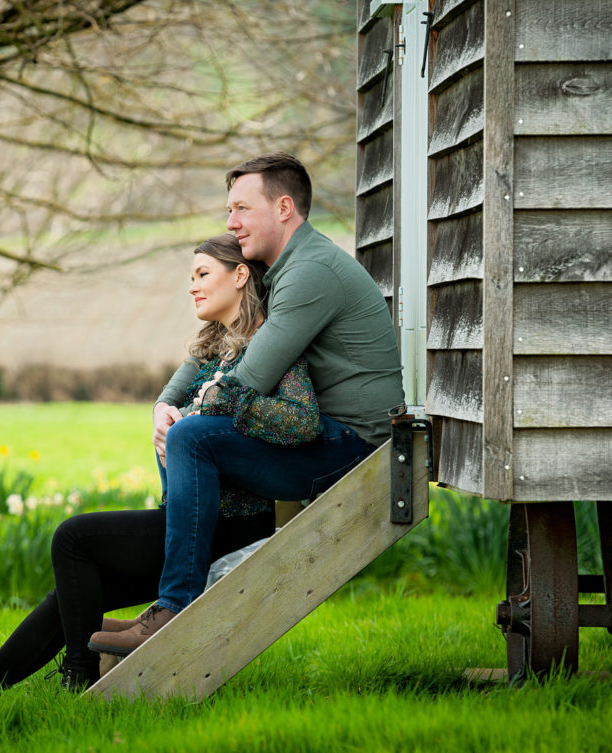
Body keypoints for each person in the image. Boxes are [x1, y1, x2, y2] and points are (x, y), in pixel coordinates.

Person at [0, 234, 321, 692]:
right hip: (187, 519)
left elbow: (302, 421)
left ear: (240, 275)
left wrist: (223, 406)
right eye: (191, 277)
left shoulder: (269, 349)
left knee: (72, 539)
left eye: (202, 275)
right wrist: (166, 412)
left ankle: (77, 677)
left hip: (229, 523)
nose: (192, 286)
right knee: (76, 591)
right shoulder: (213, 352)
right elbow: (177, 392)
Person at [88, 152, 405, 656]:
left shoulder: (309, 273)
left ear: (283, 207)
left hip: (352, 444)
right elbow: (217, 348)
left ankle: (174, 607)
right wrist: (166, 403)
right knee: (182, 428)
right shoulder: (288, 268)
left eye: (240, 209)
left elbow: (250, 375)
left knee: (192, 435)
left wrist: (187, 418)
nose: (230, 224)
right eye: (228, 211)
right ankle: (177, 590)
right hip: (329, 433)